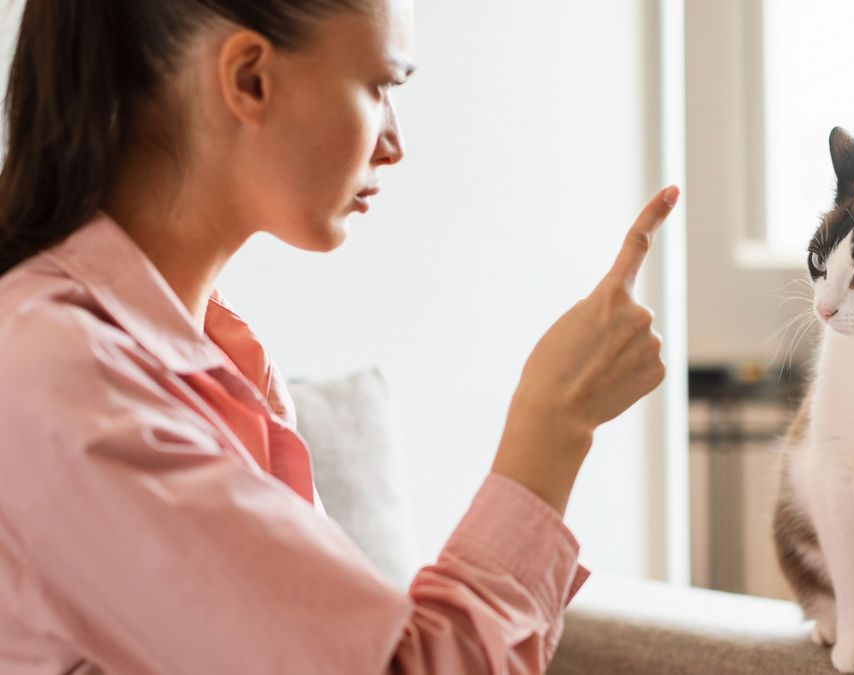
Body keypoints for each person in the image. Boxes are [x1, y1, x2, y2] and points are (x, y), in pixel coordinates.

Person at [0, 1, 679, 672]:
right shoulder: (67, 381)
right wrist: (554, 423)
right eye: (380, 85)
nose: (396, 141)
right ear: (249, 79)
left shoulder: (212, 358)